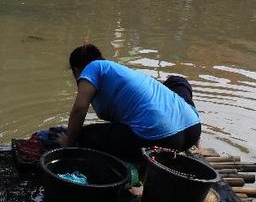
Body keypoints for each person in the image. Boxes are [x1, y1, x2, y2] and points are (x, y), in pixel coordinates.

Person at [59, 44, 201, 162]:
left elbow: (79, 110)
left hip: (163, 140)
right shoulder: (116, 71)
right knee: (177, 81)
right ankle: (195, 142)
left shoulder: (92, 68)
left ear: (77, 71)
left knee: (83, 136)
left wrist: (69, 145)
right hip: (192, 129)